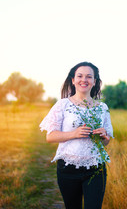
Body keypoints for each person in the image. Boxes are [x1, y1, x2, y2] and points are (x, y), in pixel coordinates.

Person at [40, 61, 114, 209]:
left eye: (89, 76)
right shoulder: (63, 105)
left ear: (94, 81)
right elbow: (50, 136)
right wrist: (73, 133)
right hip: (68, 168)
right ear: (73, 80)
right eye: (79, 76)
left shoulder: (102, 108)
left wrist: (103, 136)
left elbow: (106, 142)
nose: (84, 80)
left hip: (95, 167)